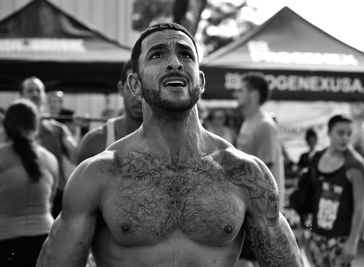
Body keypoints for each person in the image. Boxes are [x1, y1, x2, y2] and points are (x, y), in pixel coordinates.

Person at [36, 22, 303, 267]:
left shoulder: (244, 174)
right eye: (157, 55)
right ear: (135, 84)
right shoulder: (98, 174)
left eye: (186, 55)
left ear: (201, 82)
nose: (175, 63)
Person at [305, 114, 364, 267]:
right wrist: (308, 230)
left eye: (349, 134)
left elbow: (360, 207)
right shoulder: (318, 158)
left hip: (340, 240)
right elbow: (311, 198)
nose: (345, 138)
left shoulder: (355, 166)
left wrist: (352, 242)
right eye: (340, 133)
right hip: (317, 236)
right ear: (329, 133)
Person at [0, 99, 58, 266]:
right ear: (35, 126)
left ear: (6, 126)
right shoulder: (49, 159)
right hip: (44, 240)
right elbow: (50, 202)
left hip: (6, 241)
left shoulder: (1, 156)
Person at [20, 77, 78, 218]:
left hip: (53, 196)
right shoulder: (13, 129)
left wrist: (80, 130)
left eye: (38, 90)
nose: (34, 93)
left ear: (43, 96)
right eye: (30, 90)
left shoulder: (58, 129)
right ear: (22, 96)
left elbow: (78, 156)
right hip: (22, 194)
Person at [234, 72, 285, 211]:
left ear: (254, 95)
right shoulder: (248, 122)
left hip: (264, 209)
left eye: (240, 90)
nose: (235, 94)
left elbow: (263, 172)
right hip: (249, 204)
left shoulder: (265, 125)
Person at [77, 60, 143, 163]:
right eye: (131, 87)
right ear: (121, 89)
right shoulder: (95, 141)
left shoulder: (170, 142)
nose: (138, 98)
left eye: (145, 89)